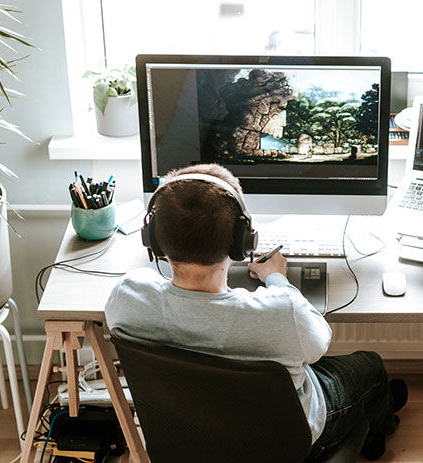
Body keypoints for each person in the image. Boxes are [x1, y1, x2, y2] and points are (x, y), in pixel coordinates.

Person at [105, 163, 407, 460]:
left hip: (190, 438)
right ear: (242, 241)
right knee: (369, 365)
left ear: (154, 239)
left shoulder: (126, 298)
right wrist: (277, 279)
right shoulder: (279, 313)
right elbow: (318, 345)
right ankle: (383, 424)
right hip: (292, 445)